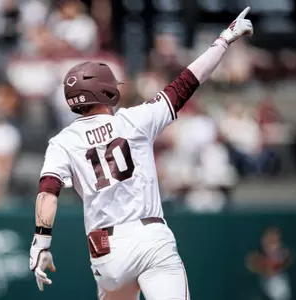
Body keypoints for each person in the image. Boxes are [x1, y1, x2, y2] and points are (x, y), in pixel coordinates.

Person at [29, 7, 253, 300]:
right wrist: (224, 39)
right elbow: (186, 82)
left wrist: (41, 243)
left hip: (105, 251)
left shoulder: (62, 141)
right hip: (149, 238)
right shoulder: (134, 120)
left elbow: (48, 192)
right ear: (107, 92)